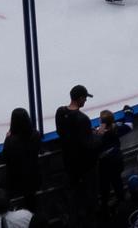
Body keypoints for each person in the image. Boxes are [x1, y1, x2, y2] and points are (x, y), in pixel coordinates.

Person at [54, 85, 100, 213]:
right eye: (85, 98)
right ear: (79, 98)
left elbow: (61, 132)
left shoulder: (60, 112)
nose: (85, 100)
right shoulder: (82, 119)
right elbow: (89, 145)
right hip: (84, 167)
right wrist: (98, 135)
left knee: (73, 199)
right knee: (88, 199)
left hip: (68, 163)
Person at [0, 108, 42, 214]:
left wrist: (7, 138)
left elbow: (5, 157)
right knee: (31, 203)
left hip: (16, 180)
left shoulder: (11, 141)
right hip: (33, 177)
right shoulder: (36, 134)